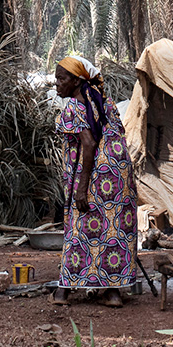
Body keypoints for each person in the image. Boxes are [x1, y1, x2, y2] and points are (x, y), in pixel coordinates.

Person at [52, 53, 138, 307]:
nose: (57, 83)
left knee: (79, 231)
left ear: (77, 81)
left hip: (95, 176)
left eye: (61, 78)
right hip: (118, 175)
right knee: (112, 230)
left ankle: (62, 292)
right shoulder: (105, 103)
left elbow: (88, 144)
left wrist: (82, 187)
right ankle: (112, 293)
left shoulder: (74, 106)